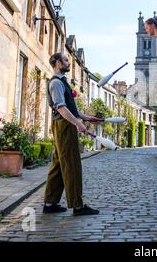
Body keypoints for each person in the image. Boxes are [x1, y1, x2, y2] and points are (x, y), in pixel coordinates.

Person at [43, 53, 102, 216]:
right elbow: (61, 108)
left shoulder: (62, 82)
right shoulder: (55, 83)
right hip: (64, 126)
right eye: (65, 60)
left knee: (58, 164)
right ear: (56, 62)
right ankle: (78, 205)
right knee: (72, 164)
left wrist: (86, 117)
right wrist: (77, 124)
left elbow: (70, 108)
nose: (68, 63)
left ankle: (50, 203)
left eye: (69, 60)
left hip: (64, 125)